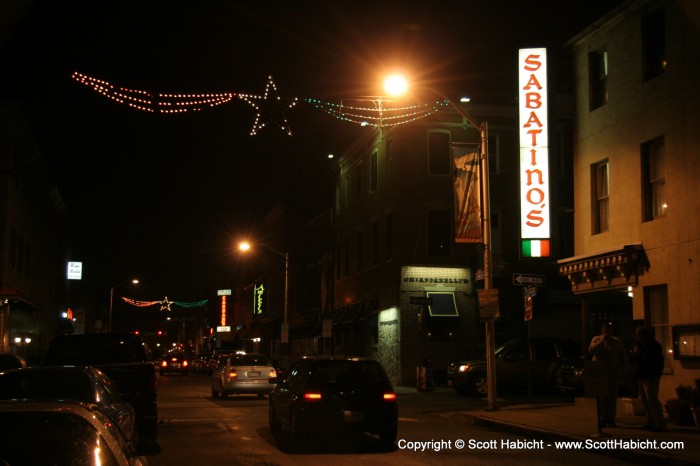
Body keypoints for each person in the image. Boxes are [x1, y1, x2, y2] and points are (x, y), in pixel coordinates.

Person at [589, 322, 627, 427]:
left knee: (612, 397)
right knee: (601, 397)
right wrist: (602, 341)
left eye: (609, 329)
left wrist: (623, 370)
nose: (607, 331)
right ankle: (602, 418)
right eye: (605, 329)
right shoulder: (596, 339)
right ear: (602, 329)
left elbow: (622, 356)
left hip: (613, 372)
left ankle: (611, 418)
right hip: (600, 373)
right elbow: (591, 350)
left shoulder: (616, 341)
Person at [632, 326, 667, 431]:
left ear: (645, 334)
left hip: (650, 376)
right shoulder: (640, 346)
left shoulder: (654, 346)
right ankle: (650, 421)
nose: (638, 336)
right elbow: (637, 359)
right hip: (642, 376)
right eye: (637, 334)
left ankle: (660, 423)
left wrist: (656, 375)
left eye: (640, 334)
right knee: (645, 400)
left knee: (652, 400)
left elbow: (657, 362)